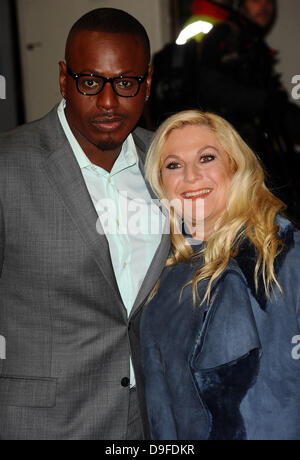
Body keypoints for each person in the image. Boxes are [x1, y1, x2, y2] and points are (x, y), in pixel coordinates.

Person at [0, 8, 170, 440]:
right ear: (64, 79)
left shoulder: (170, 165)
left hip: (150, 422)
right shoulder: (8, 167)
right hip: (41, 424)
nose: (109, 102)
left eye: (126, 83)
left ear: (147, 83)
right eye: (91, 82)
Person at [141, 110, 300, 440]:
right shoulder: (163, 268)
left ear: (235, 165)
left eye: (206, 158)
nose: (190, 175)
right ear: (161, 183)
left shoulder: (284, 255)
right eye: (173, 165)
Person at [197, 0, 300, 220]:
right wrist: (262, 100)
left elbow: (276, 106)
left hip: (257, 150)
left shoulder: (252, 41)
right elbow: (209, 87)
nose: (265, 6)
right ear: (241, 4)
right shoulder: (225, 35)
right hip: (233, 153)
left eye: (270, 2)